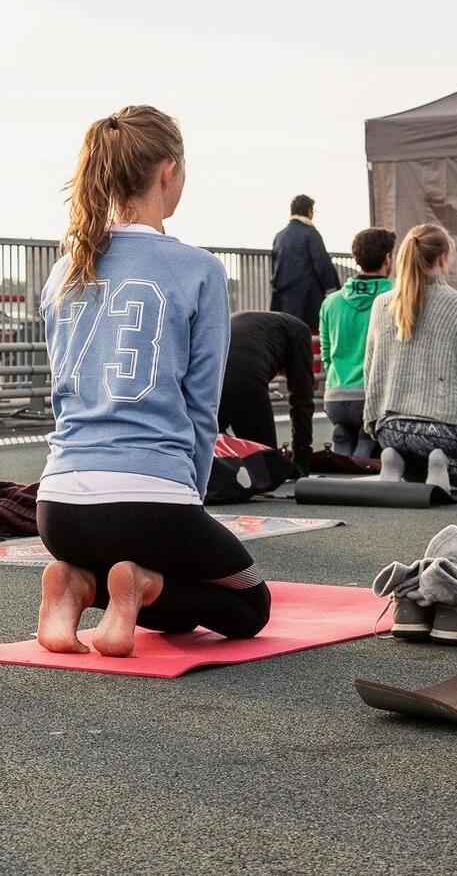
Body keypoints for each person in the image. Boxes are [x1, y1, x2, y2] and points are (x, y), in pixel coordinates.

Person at [35, 106, 270, 658]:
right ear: (169, 171)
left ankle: (79, 585)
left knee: (173, 614)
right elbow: (202, 404)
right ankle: (139, 584)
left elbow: (61, 390)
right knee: (249, 605)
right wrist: (187, 503)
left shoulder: (65, 267)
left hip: (59, 507)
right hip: (152, 498)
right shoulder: (199, 269)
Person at [363, 224, 457, 493]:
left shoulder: (382, 305)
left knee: (412, 455)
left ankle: (396, 459)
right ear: (443, 257)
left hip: (392, 428)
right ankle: (439, 461)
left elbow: (370, 370)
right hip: (445, 429)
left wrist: (375, 424)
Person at [317, 228, 395, 458]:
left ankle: (344, 434)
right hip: (371, 399)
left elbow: (326, 354)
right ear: (388, 258)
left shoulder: (331, 302)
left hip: (335, 397)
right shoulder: (397, 297)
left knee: (345, 429)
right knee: (370, 435)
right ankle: (365, 437)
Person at [218, 309, 315, 470]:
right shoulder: (299, 331)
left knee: (211, 448)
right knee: (264, 463)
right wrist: (302, 455)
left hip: (210, 372)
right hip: (245, 372)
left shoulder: (262, 329)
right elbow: (302, 399)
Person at [269, 194, 339, 330]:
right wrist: (333, 289)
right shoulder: (311, 233)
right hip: (308, 299)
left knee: (289, 335)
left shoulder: (279, 236)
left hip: (284, 301)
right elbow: (321, 263)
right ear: (309, 211)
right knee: (309, 338)